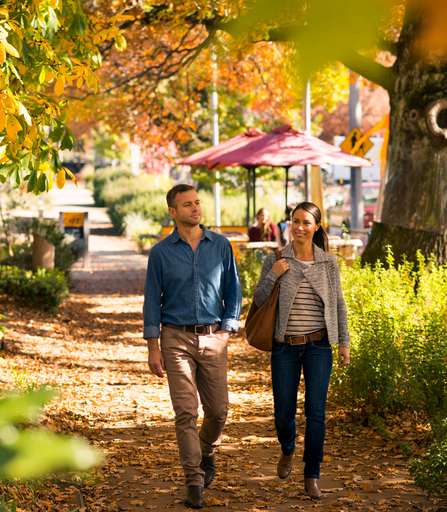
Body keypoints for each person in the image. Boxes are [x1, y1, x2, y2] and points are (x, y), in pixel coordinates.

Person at [143, 184, 242, 509]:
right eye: (187, 205)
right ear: (173, 212)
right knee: (186, 412)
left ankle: (207, 449)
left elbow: (234, 292)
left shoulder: (222, 246)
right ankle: (194, 482)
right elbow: (151, 303)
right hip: (175, 338)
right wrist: (153, 346)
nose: (195, 208)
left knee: (218, 411)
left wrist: (226, 331)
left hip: (214, 336)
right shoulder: (160, 253)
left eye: (197, 202)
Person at [251, 201, 350, 500]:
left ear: (317, 226)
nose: (299, 227)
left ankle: (312, 475)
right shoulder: (277, 258)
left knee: (316, 413)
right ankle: (288, 449)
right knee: (283, 414)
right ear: (289, 224)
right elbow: (257, 298)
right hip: (284, 348)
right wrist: (274, 274)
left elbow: (338, 304)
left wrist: (343, 342)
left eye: (306, 222)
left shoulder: (328, 262)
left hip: (319, 346)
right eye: (295, 221)